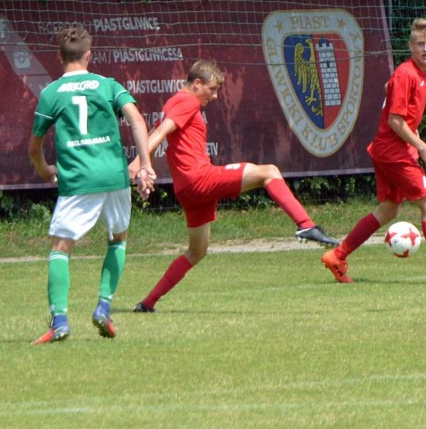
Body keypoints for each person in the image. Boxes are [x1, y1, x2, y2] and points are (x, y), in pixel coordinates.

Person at [130, 59, 338, 312]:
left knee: (196, 252)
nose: (215, 96)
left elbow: (154, 134)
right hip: (200, 179)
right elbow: (161, 132)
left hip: (187, 190)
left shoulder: (173, 102)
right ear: (197, 84)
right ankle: (306, 225)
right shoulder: (187, 101)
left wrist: (143, 166)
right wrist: (141, 164)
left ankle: (148, 303)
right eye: (212, 89)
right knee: (269, 172)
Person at [320, 18, 426, 284]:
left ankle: (337, 256)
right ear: (410, 46)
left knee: (388, 210)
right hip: (394, 152)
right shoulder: (406, 74)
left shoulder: (419, 74)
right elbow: (396, 120)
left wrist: (413, 134)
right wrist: (422, 146)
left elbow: (394, 98)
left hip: (388, 150)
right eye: (420, 44)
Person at [29, 27, 156, 344]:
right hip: (114, 176)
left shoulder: (52, 93)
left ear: (59, 57)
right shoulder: (108, 85)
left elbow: (34, 147)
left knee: (61, 247)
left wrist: (45, 170)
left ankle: (60, 321)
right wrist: (145, 165)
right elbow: (137, 120)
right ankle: (103, 307)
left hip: (78, 179)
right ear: (89, 55)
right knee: (118, 239)